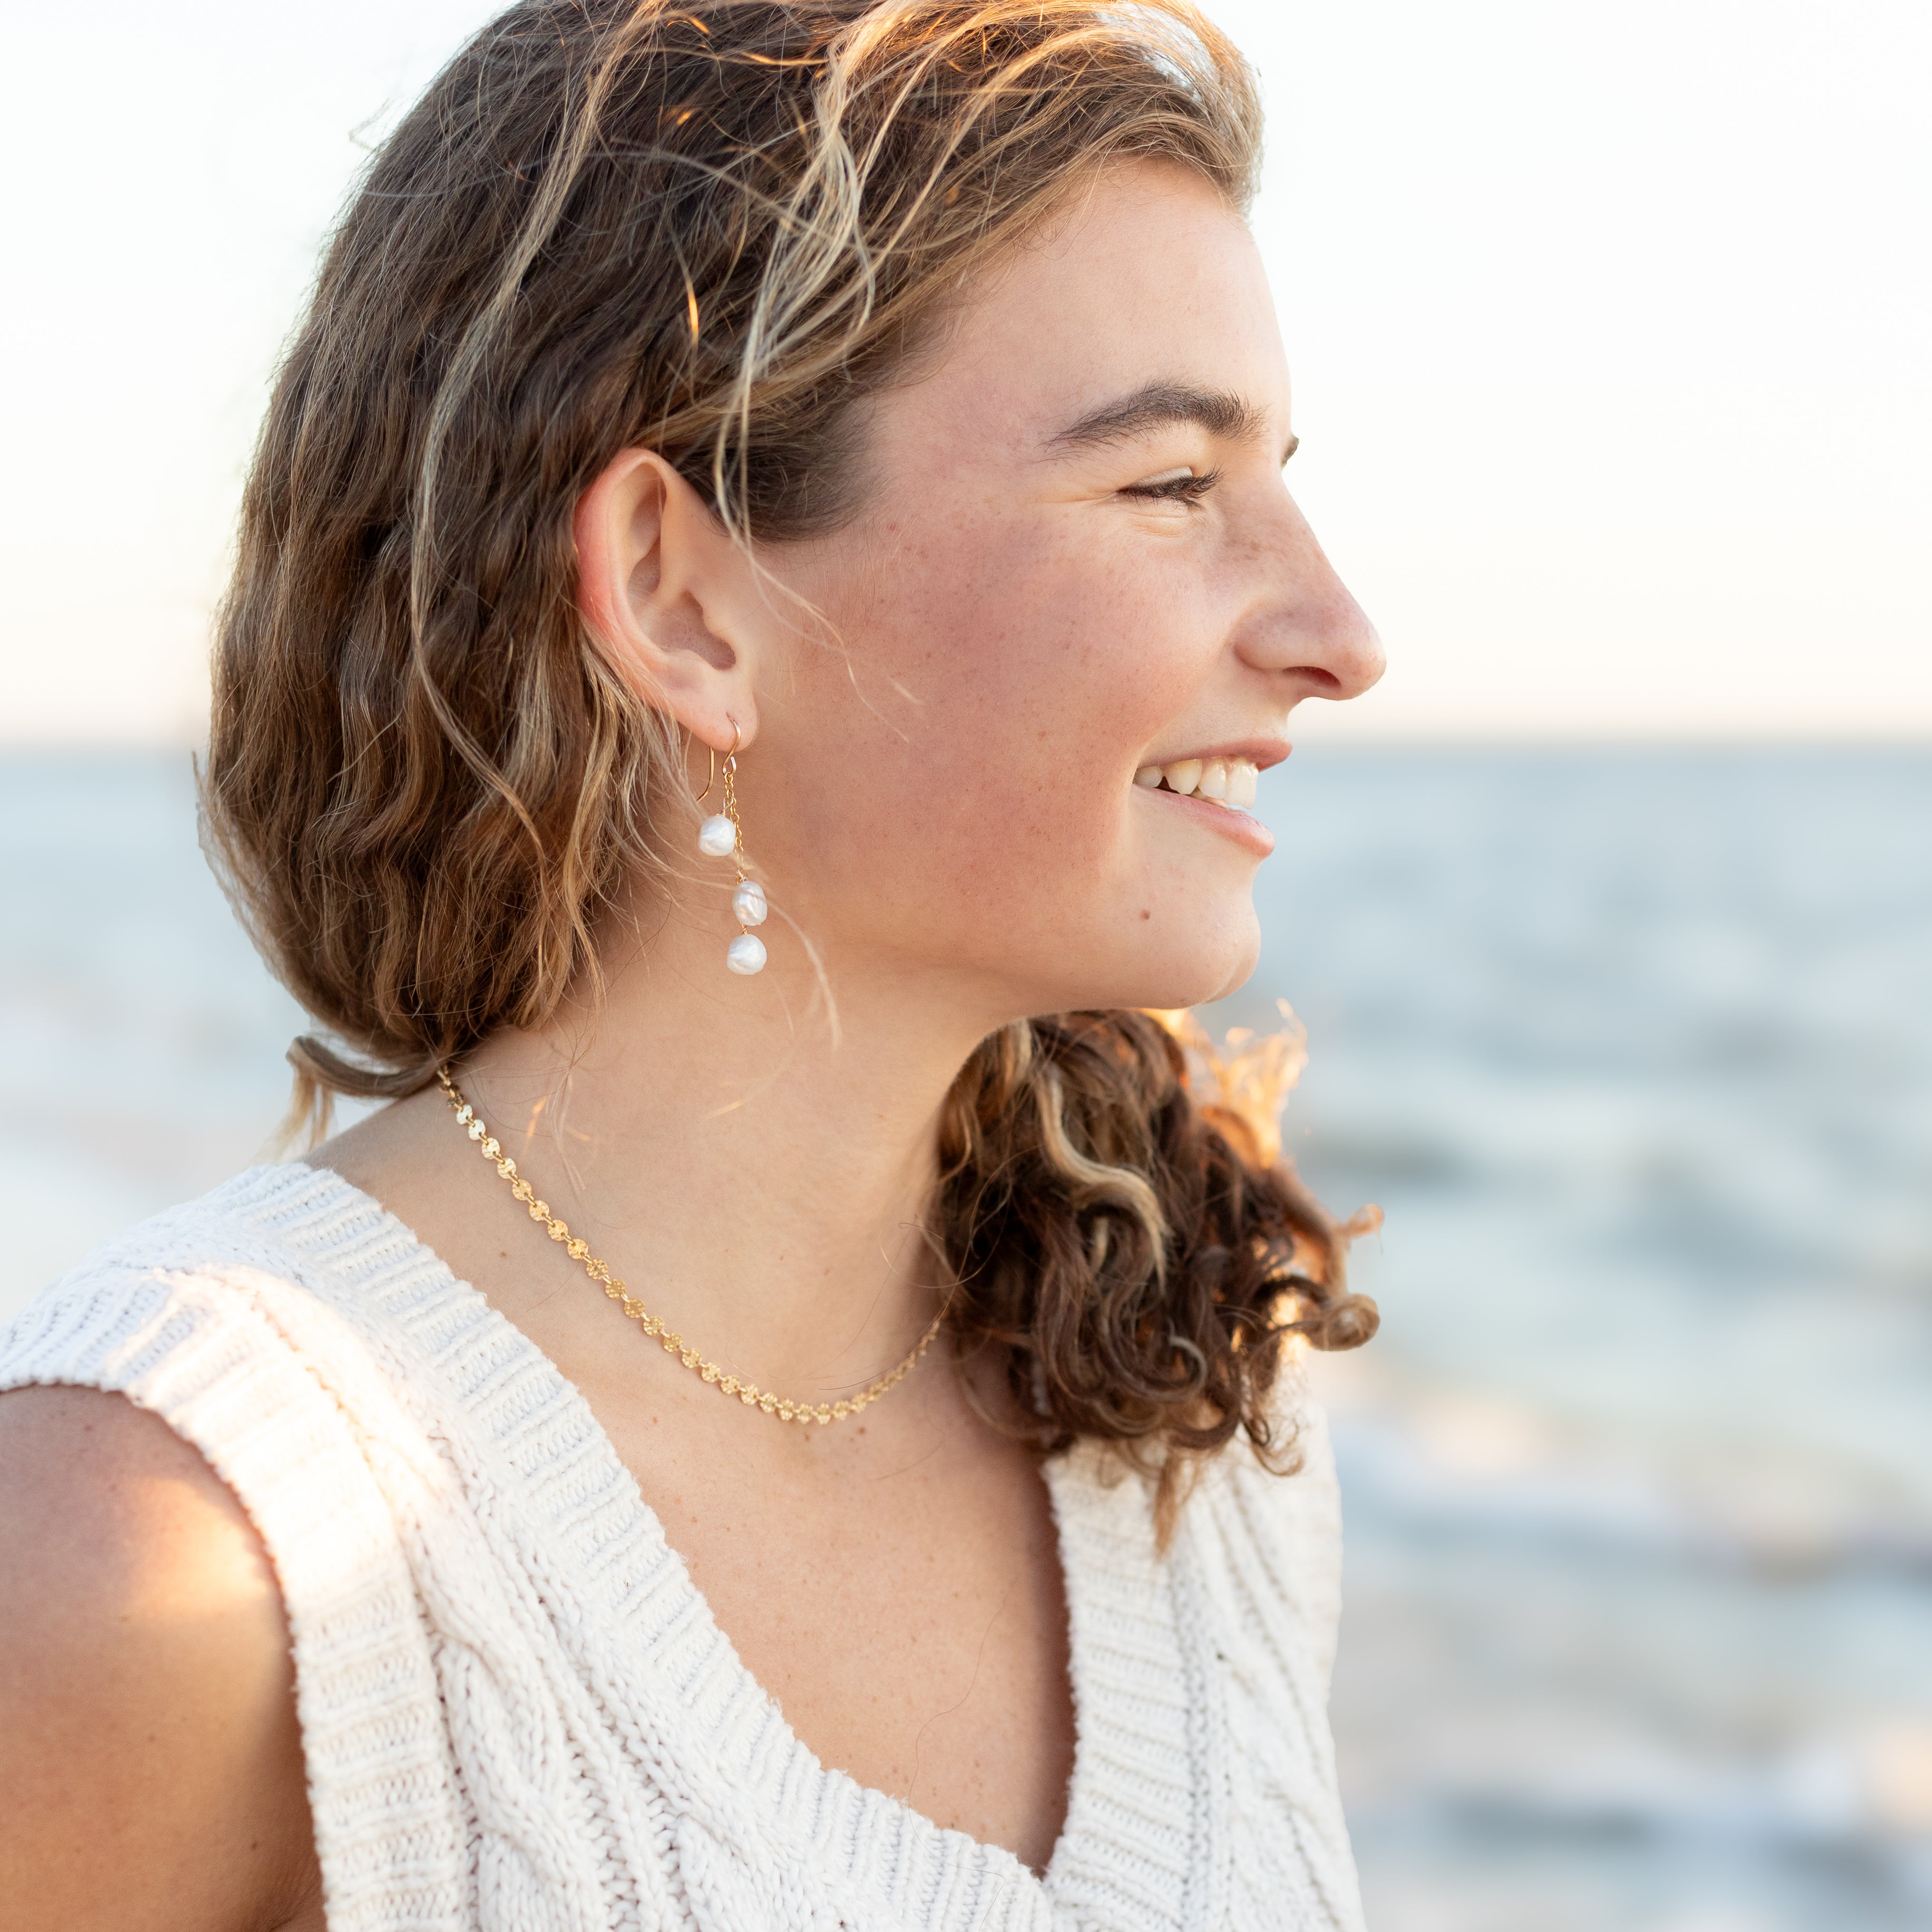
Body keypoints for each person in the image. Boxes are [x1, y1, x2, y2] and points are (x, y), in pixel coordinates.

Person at [0, 2, 1385, 1926]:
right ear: (679, 597)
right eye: (1170, 484)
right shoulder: (162, 1547)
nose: (1339, 632)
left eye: (1279, 479)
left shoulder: (1192, 1409)